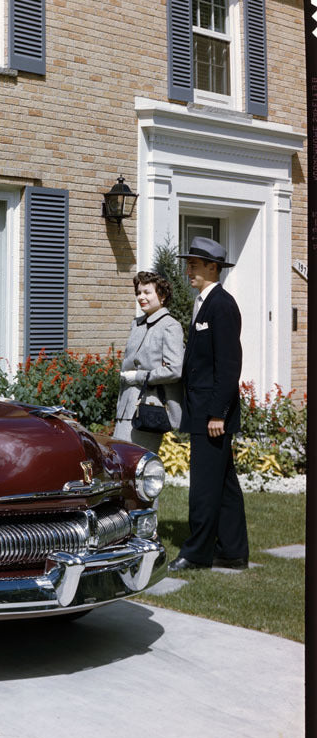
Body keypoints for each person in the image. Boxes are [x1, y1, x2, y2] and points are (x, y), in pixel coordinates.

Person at [168, 236, 249, 572]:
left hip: (212, 415)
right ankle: (232, 551)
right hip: (202, 410)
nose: (188, 270)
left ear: (212, 267)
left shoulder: (222, 305)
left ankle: (197, 553)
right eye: (188, 263)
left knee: (204, 485)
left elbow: (229, 366)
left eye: (194, 264)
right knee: (224, 484)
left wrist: (218, 413)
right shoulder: (204, 303)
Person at [112, 271, 184, 452]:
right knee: (120, 462)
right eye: (138, 292)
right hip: (126, 407)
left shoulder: (170, 326)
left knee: (136, 465)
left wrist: (139, 376)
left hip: (149, 409)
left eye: (147, 292)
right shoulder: (136, 324)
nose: (141, 297)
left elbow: (174, 370)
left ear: (162, 295)